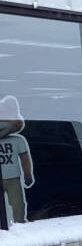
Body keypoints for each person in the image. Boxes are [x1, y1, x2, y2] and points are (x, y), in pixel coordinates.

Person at [0, 95, 35, 223]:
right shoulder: (18, 140)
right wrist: (27, 175)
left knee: (18, 205)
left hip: (14, 178)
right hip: (12, 178)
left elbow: (25, 159)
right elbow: (25, 159)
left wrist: (28, 175)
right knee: (17, 204)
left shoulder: (18, 140)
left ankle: (19, 225)